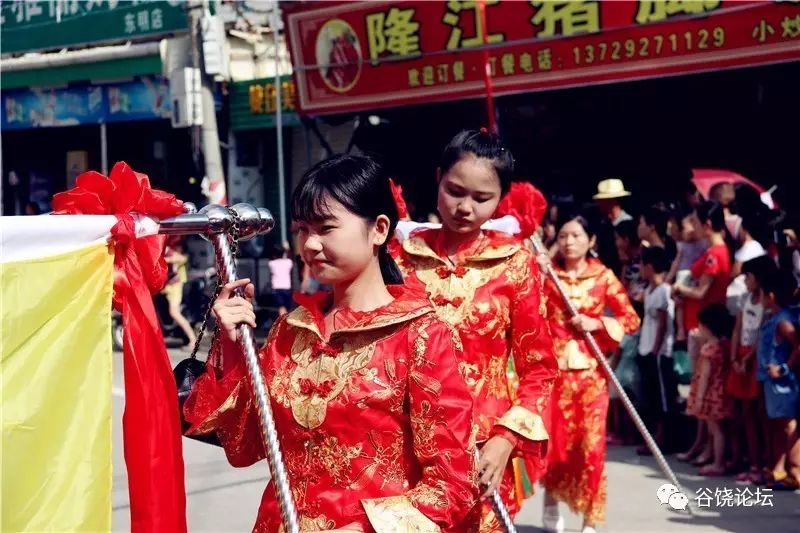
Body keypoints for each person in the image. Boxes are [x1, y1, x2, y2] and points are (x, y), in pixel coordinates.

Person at [184, 154, 478, 532]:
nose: (311, 244)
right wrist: (230, 342)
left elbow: (453, 482)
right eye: (303, 229)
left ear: (379, 229)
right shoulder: (289, 332)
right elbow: (243, 449)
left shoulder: (422, 335)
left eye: (326, 228)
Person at [392, 129, 558, 531]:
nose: (465, 207)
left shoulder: (515, 264)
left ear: (501, 198)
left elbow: (540, 369)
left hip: (484, 451)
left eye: (482, 198)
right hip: (405, 447)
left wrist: (505, 439)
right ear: (437, 179)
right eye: (455, 191)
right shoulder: (399, 257)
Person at [539, 209, 640, 533]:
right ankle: (552, 500)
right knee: (555, 446)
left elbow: (630, 319)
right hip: (553, 376)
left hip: (590, 379)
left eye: (576, 236)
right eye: (563, 236)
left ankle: (590, 519)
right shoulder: (546, 275)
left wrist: (597, 323)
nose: (569, 242)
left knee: (592, 449)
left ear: (591, 240)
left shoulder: (603, 277)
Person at [728, 256, 771, 484]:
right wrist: (735, 356)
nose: (745, 281)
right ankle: (752, 463)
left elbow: (763, 333)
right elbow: (737, 329)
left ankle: (767, 464)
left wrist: (748, 358)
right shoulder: (745, 299)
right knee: (746, 414)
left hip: (755, 358)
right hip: (741, 356)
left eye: (749, 277)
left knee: (761, 414)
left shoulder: (766, 302)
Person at [757, 271, 800, 490]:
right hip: (771, 384)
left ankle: (795, 470)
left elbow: (798, 347)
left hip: (783, 384)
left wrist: (783, 369)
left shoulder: (783, 322)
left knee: (788, 425)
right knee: (777, 425)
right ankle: (778, 468)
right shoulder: (774, 319)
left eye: (761, 293)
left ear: (771, 296)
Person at [683, 304, 735, 476]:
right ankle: (718, 459)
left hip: (710, 394)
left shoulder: (708, 349)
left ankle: (718, 463)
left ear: (706, 326)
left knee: (715, 429)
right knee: (719, 429)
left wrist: (698, 399)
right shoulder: (723, 345)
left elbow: (705, 376)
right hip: (721, 391)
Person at [636, 246, 677, 455]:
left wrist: (655, 349)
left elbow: (663, 323)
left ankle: (664, 439)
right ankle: (652, 438)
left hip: (659, 353)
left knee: (662, 397)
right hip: (646, 347)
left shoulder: (663, 291)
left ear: (650, 267)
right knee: (650, 396)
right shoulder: (648, 290)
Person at [162, 237, 197, 349]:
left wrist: (164, 260)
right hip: (168, 286)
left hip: (175, 286)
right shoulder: (169, 251)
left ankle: (193, 340)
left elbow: (182, 259)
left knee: (174, 313)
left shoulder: (172, 253)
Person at [268, 241, 294, 315]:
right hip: (287, 288)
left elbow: (271, 258)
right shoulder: (288, 262)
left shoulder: (272, 264)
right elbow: (290, 256)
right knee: (288, 307)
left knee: (281, 307)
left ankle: (283, 322)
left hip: (277, 288)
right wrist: (287, 249)